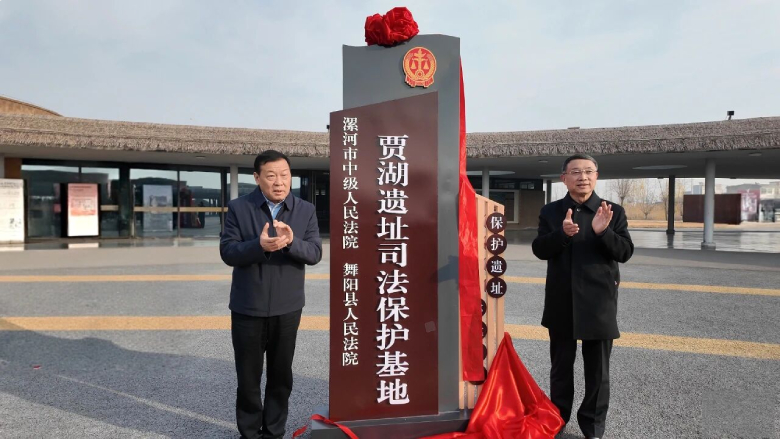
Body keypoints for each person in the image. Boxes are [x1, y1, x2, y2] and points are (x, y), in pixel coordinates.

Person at [220, 150, 322, 439]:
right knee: (248, 378)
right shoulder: (239, 208)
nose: (279, 182)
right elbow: (228, 251)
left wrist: (291, 243)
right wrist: (259, 245)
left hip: (288, 308)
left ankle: (274, 432)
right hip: (247, 307)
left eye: (285, 175)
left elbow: (315, 253)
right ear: (257, 178)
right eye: (271, 176)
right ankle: (250, 433)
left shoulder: (305, 210)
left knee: (281, 376)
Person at [531, 153, 633, 439]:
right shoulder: (551, 212)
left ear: (596, 176)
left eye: (588, 171)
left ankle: (593, 426)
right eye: (575, 172)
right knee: (561, 368)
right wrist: (562, 234)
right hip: (562, 301)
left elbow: (625, 252)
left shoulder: (612, 211)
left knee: (598, 372)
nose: (583, 177)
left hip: (599, 303)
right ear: (564, 178)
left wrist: (603, 232)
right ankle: (558, 419)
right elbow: (540, 249)